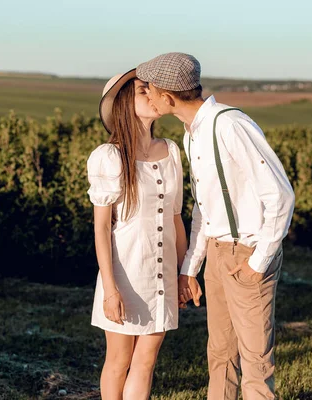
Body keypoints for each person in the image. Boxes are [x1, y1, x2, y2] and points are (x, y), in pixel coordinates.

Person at [136, 52, 295, 400]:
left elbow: (281, 196)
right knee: (220, 355)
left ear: (167, 97)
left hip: (249, 251)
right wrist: (190, 268)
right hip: (218, 254)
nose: (145, 98)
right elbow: (204, 210)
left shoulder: (229, 124)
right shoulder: (193, 134)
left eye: (148, 91)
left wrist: (257, 263)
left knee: (255, 362)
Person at [87, 68, 188, 400]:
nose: (153, 95)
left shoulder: (171, 151)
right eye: (144, 91)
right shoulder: (110, 157)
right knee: (119, 361)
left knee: (146, 360)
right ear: (124, 104)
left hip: (162, 274)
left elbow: (176, 219)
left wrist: (185, 272)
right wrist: (110, 289)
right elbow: (102, 228)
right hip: (125, 273)